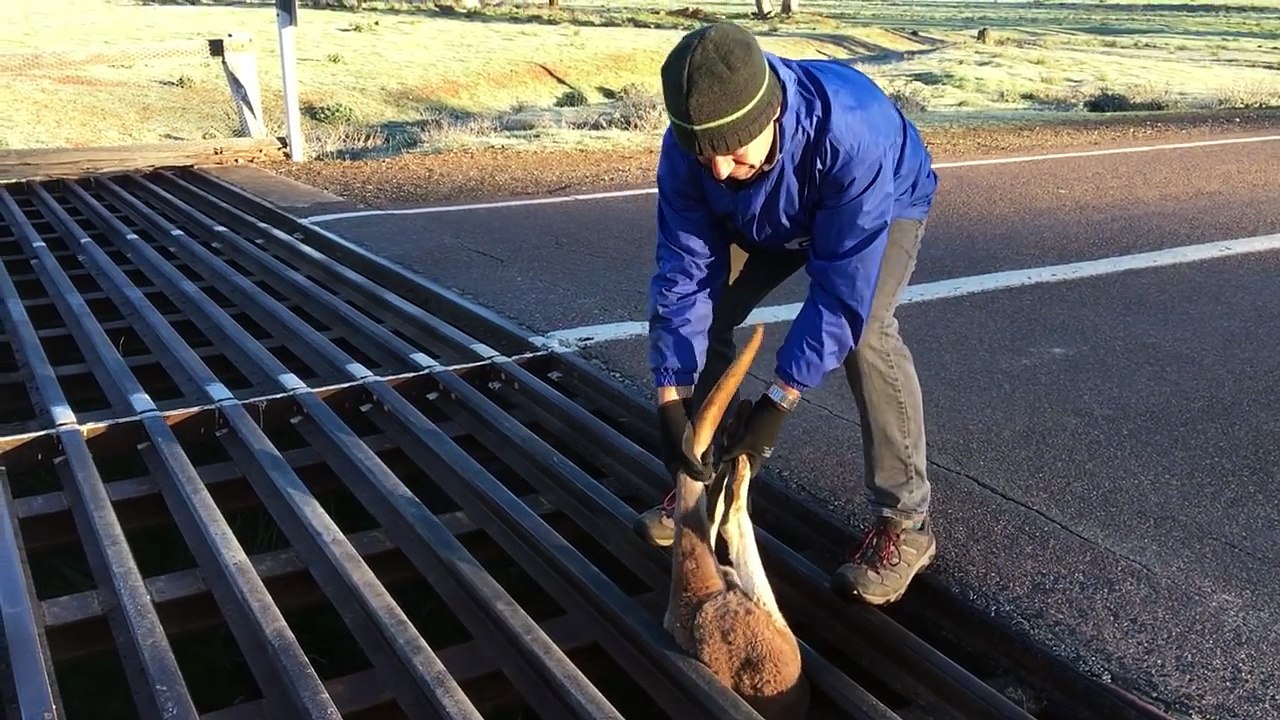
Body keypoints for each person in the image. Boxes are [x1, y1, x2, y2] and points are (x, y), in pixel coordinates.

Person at [633, 21, 939, 606]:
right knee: (711, 313)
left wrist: (778, 400)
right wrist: (669, 397)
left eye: (731, 150)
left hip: (879, 199)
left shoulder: (854, 134)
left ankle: (906, 524)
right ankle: (701, 477)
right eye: (706, 156)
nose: (719, 170)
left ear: (769, 115)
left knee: (867, 334)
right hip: (765, 210)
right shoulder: (691, 151)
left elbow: (840, 291)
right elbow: (684, 274)